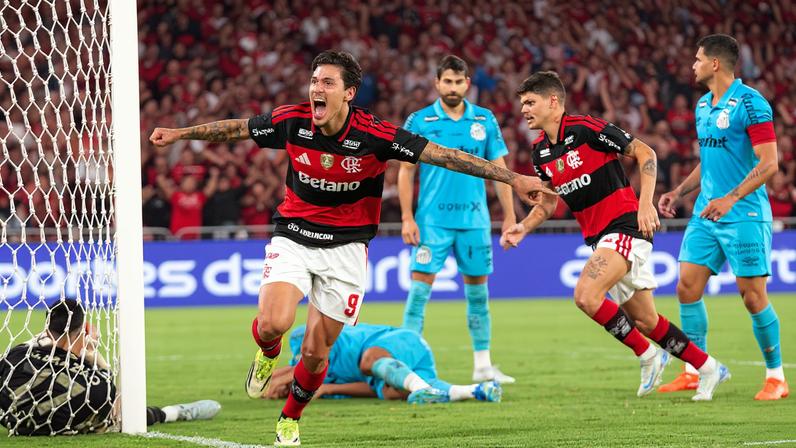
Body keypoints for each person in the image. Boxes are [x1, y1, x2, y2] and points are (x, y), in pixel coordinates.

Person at [149, 50, 552, 446]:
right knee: (274, 323)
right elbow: (238, 128)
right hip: (294, 234)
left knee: (314, 352)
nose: (316, 90)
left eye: (327, 82)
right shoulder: (293, 121)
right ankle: (266, 352)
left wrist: (513, 178)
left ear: (349, 93)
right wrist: (182, 134)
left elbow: (443, 156)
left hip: (347, 249)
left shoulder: (376, 134)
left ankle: (290, 419)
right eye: (313, 81)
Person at [500, 71, 730, 401]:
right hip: (599, 238)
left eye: (530, 102)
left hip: (623, 227)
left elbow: (645, 152)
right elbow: (548, 203)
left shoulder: (585, 129)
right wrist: (525, 225)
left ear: (553, 102)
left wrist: (645, 203)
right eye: (522, 103)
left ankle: (649, 355)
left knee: (586, 295)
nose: (523, 109)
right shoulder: (540, 154)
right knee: (646, 321)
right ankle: (708, 368)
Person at [657, 34, 787, 400]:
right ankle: (695, 370)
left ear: (715, 63)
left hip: (743, 212)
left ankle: (776, 378)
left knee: (752, 296)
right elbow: (710, 161)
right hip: (706, 212)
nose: (692, 65)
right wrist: (679, 192)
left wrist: (731, 198)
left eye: (697, 59)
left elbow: (770, 163)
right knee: (686, 286)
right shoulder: (702, 106)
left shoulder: (751, 102)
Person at [398, 55, 516, 384]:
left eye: (458, 81)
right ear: (437, 83)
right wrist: (407, 218)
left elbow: (500, 170)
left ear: (467, 84)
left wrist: (509, 216)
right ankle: (407, 363)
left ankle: (482, 366)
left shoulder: (484, 119)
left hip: (475, 221)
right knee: (420, 292)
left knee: (478, 294)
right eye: (447, 81)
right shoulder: (419, 121)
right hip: (432, 222)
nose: (452, 87)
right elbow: (405, 172)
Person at [0, 299, 220, 436]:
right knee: (122, 416)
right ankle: (174, 413)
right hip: (63, 423)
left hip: (17, 424)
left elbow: (39, 343)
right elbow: (111, 395)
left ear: (47, 329)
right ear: (83, 330)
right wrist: (92, 355)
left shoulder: (15, 356)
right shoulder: (98, 385)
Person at [263, 323, 502, 404]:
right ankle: (477, 391)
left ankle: (421, 389)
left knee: (369, 361)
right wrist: (327, 389)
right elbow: (370, 387)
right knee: (389, 392)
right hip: (398, 369)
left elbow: (304, 365)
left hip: (403, 343)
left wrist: (284, 379)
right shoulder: (328, 375)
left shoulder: (338, 341)